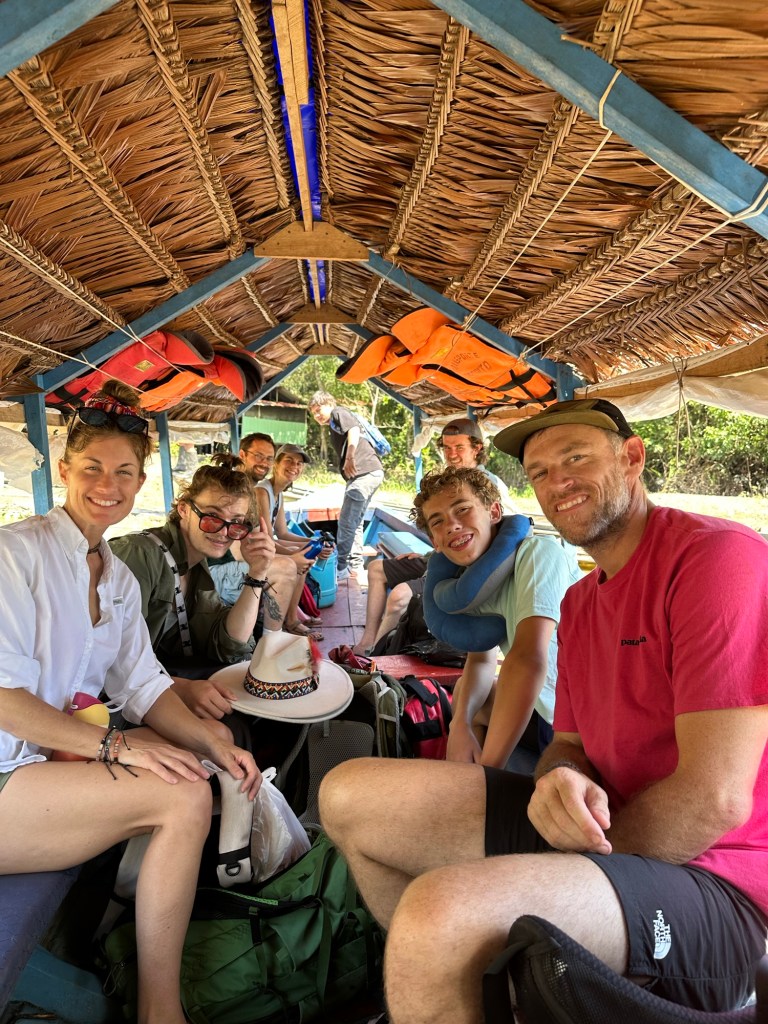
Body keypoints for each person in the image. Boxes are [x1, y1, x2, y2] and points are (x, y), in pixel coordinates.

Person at [319, 397, 768, 1023]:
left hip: (719, 879)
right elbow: (569, 742)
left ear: (633, 459)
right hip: (603, 831)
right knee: (348, 794)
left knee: (439, 914)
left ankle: (447, 967)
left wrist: (553, 864)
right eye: (540, 472)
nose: (558, 483)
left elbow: (715, 799)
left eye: (576, 458)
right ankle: (459, 993)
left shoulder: (715, 559)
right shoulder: (582, 601)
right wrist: (560, 773)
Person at [0, 382, 259, 1024]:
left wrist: (213, 744)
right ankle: (160, 1009)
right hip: (6, 774)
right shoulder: (15, 555)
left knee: (199, 770)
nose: (106, 484)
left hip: (45, 773)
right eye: (92, 467)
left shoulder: (115, 576)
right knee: (179, 794)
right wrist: (117, 744)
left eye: (123, 471)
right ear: (65, 470)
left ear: (141, 482)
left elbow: (144, 685)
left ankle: (141, 980)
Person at [411, 466, 579, 765]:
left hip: (576, 716)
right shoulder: (471, 581)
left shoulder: (540, 552)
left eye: (462, 509)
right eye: (438, 522)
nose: (452, 525)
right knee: (469, 691)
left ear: (494, 511)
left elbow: (528, 660)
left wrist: (488, 773)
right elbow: (480, 658)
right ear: (434, 542)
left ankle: (482, 781)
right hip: (542, 708)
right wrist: (459, 723)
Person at [109, 455, 297, 720]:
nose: (223, 531)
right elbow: (108, 661)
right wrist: (182, 689)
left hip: (154, 685)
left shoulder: (197, 567)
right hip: (113, 703)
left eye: (236, 523)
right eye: (212, 517)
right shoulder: (139, 556)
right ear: (184, 509)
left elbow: (229, 643)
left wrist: (258, 572)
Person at [352, 417, 517, 657]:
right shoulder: (448, 482)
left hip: (464, 568)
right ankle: (368, 640)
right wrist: (429, 555)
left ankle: (377, 657)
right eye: (447, 448)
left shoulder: (489, 486)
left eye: (459, 447)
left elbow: (499, 539)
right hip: (441, 556)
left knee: (399, 596)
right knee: (377, 568)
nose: (452, 454)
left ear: (477, 448)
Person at [309, 390, 384, 581]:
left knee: (346, 521)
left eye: (319, 409)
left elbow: (354, 430)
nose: (317, 415)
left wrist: (350, 457)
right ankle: (354, 564)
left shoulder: (338, 412)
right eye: (313, 412)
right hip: (371, 473)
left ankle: (340, 568)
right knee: (356, 521)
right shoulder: (333, 424)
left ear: (329, 404)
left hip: (364, 473)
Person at [254, 443, 327, 640]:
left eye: (299, 463)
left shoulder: (278, 494)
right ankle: (292, 620)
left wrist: (314, 542)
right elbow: (269, 539)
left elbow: (283, 532)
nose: (294, 466)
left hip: (264, 546)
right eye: (289, 460)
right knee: (299, 558)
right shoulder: (262, 491)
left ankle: (292, 615)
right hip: (253, 551)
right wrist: (298, 553)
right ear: (276, 463)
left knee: (303, 550)